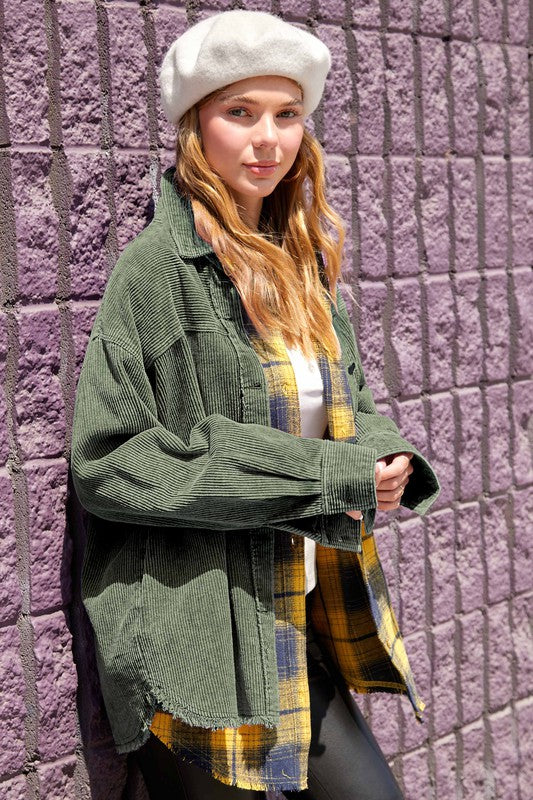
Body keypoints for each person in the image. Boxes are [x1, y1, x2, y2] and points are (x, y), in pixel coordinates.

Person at [70, 9, 440, 800]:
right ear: (193, 125)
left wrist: (382, 455)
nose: (266, 139)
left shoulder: (296, 261)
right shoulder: (159, 270)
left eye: (286, 115)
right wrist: (329, 479)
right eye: (238, 113)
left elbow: (351, 402)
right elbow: (111, 461)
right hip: (197, 638)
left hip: (295, 612)